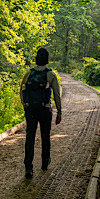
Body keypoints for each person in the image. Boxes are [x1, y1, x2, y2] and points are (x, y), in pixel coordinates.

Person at [19, 47, 62, 179]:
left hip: (31, 110)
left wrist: (25, 106)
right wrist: (59, 111)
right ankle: (45, 162)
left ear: (36, 59)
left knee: (30, 137)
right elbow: (56, 94)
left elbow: (22, 90)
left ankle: (28, 167)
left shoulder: (29, 73)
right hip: (45, 110)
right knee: (45, 136)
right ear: (47, 60)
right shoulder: (51, 75)